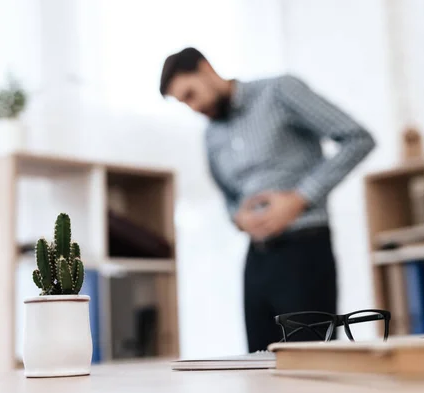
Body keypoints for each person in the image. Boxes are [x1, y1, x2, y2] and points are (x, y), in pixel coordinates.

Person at [159, 47, 376, 352]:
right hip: (257, 258)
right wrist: (238, 218)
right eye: (183, 103)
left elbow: (358, 138)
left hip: (305, 250)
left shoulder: (279, 91)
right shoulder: (211, 134)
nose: (193, 107)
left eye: (190, 94)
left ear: (206, 68)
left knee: (311, 362)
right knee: (258, 364)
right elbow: (228, 194)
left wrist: (300, 198)